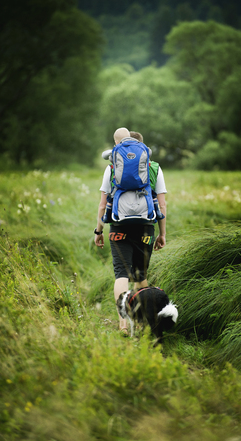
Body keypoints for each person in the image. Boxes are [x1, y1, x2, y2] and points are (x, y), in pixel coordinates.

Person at [94, 127, 167, 334]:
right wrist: (161, 233)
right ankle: (140, 320)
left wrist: (99, 231)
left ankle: (123, 323)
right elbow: (162, 206)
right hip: (145, 226)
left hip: (119, 225)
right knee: (140, 276)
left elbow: (102, 205)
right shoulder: (154, 168)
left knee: (121, 274)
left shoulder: (112, 167)